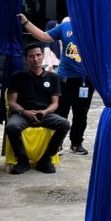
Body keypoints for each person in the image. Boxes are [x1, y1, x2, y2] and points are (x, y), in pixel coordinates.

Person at [18, 14, 92, 155]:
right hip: (65, 78)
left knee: (81, 113)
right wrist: (26, 22)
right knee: (61, 112)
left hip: (85, 79)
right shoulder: (65, 26)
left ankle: (76, 143)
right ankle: (57, 144)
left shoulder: (94, 27)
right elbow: (44, 36)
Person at [5, 43, 71, 174]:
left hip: (44, 114)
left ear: (43, 56)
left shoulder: (53, 77)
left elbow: (55, 104)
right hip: (22, 114)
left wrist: (45, 112)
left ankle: (46, 159)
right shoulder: (17, 76)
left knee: (64, 124)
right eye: (31, 56)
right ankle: (22, 160)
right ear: (26, 59)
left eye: (38, 55)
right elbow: (12, 102)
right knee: (11, 127)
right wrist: (24, 112)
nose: (35, 59)